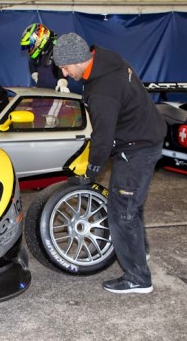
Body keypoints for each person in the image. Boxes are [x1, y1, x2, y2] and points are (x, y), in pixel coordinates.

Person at [53, 32, 166, 294]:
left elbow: (102, 137)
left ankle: (138, 279)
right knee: (132, 206)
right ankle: (141, 253)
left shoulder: (104, 88)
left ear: (79, 60)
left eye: (66, 67)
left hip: (138, 147)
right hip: (145, 136)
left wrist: (92, 172)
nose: (66, 74)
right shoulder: (106, 60)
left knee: (121, 212)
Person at [20, 23, 69, 93]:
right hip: (40, 93)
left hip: (54, 96)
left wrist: (62, 84)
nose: (30, 49)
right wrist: (37, 78)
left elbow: (63, 72)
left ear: (39, 40)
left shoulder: (58, 50)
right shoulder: (41, 52)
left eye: (30, 46)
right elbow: (31, 63)